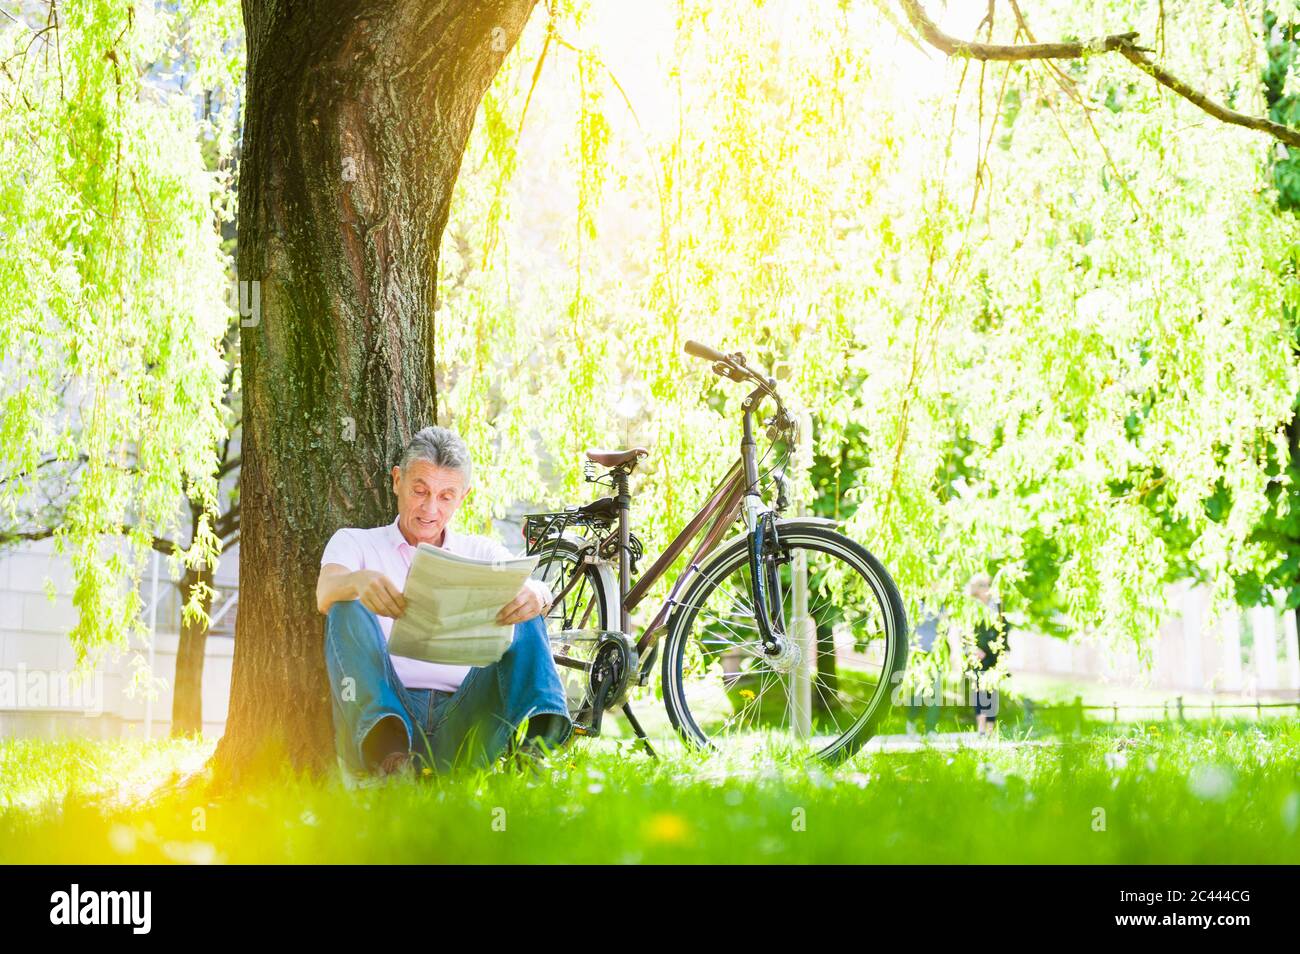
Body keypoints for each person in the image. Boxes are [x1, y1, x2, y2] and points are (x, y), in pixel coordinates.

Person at [317, 425, 573, 782]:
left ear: (463, 497)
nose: (430, 509)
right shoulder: (356, 543)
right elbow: (325, 590)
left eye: (446, 496)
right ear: (397, 481)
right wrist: (357, 581)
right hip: (391, 718)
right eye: (419, 491)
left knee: (524, 606)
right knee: (345, 602)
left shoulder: (481, 551)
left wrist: (539, 595)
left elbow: (530, 586)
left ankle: (538, 753)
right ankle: (390, 764)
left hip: (467, 721)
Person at [967, 572, 1010, 735]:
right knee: (979, 690)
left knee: (992, 690)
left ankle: (991, 728)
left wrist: (1005, 649)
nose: (988, 589)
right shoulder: (971, 607)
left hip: (994, 653)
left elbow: (1005, 628)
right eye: (984, 586)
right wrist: (973, 649)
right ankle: (981, 727)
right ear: (976, 589)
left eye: (988, 585)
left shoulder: (997, 605)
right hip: (978, 654)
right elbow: (966, 630)